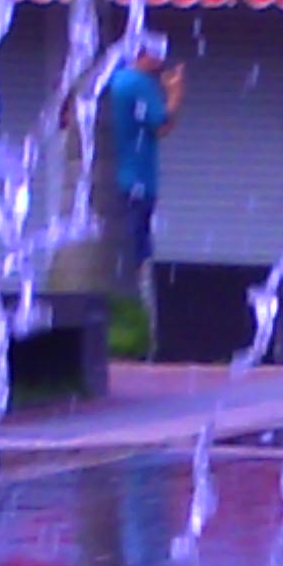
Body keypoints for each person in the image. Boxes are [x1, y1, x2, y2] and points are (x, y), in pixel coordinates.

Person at [103, 44, 184, 352]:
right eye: (157, 51)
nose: (162, 58)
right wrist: (175, 93)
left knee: (118, 253)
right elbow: (162, 125)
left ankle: (119, 327)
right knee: (136, 258)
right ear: (142, 53)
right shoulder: (139, 83)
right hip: (137, 182)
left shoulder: (113, 80)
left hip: (112, 183)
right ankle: (133, 332)